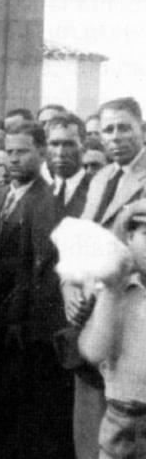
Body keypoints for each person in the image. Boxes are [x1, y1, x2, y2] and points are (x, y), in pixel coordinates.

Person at [0, 121, 72, 458]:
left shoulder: (46, 201)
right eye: (9, 151)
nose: (14, 159)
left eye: (22, 151)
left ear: (41, 152)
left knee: (19, 421)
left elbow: (38, 268)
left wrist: (17, 320)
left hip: (19, 327)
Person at [67, 97, 146, 459]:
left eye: (124, 128)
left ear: (141, 130)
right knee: (92, 427)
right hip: (94, 312)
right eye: (108, 129)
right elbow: (79, 242)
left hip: (132, 309)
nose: (115, 137)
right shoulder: (100, 178)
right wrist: (70, 285)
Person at [78, 200, 146, 459]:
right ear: (129, 238)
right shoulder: (116, 289)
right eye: (145, 234)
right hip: (121, 421)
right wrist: (111, 290)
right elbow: (94, 351)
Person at [46, 113, 91, 218]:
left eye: (69, 144)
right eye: (54, 144)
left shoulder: (98, 191)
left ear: (84, 148)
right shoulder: (38, 195)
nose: (60, 152)